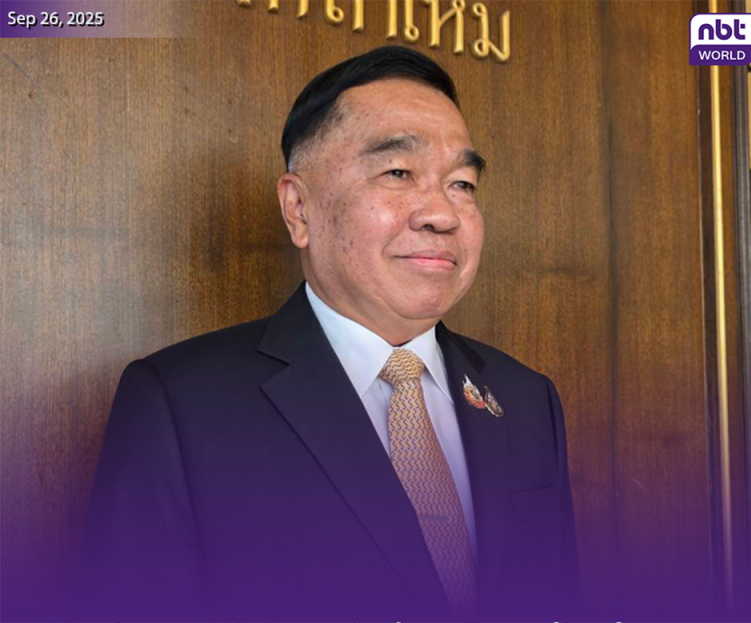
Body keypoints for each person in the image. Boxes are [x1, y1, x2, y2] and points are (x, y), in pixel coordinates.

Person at [81, 45, 580, 623]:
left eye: (462, 183)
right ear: (299, 209)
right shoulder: (179, 403)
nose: (442, 214)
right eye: (398, 172)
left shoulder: (525, 399)